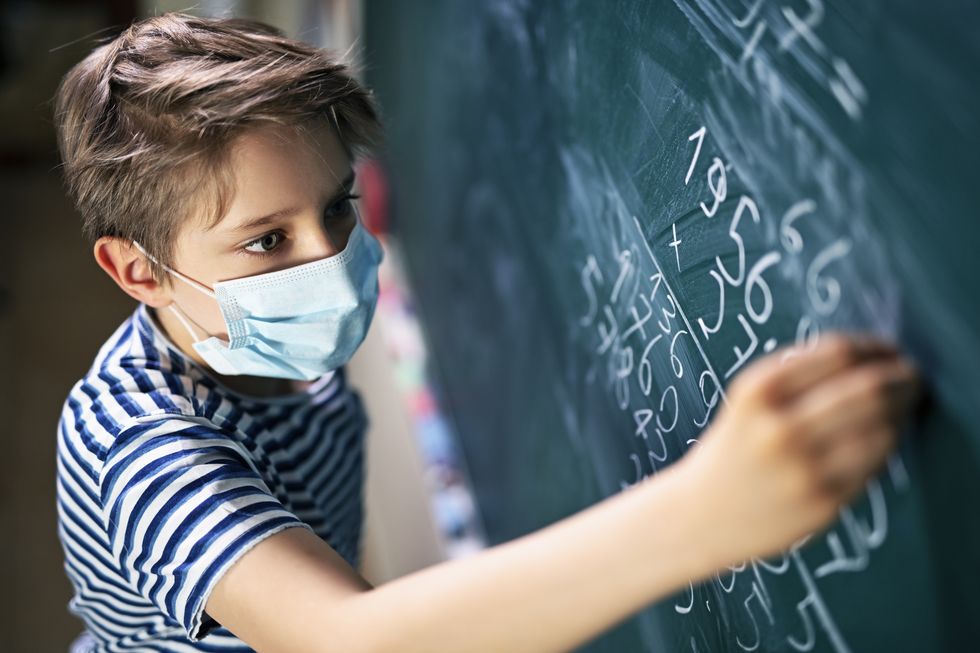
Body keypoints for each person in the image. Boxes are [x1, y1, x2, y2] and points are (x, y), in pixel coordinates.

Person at [52, 12, 921, 653]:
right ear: (138, 271)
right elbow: (339, 638)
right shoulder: (138, 450)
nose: (331, 259)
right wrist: (706, 513)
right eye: (268, 240)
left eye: (336, 208)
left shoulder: (248, 335)